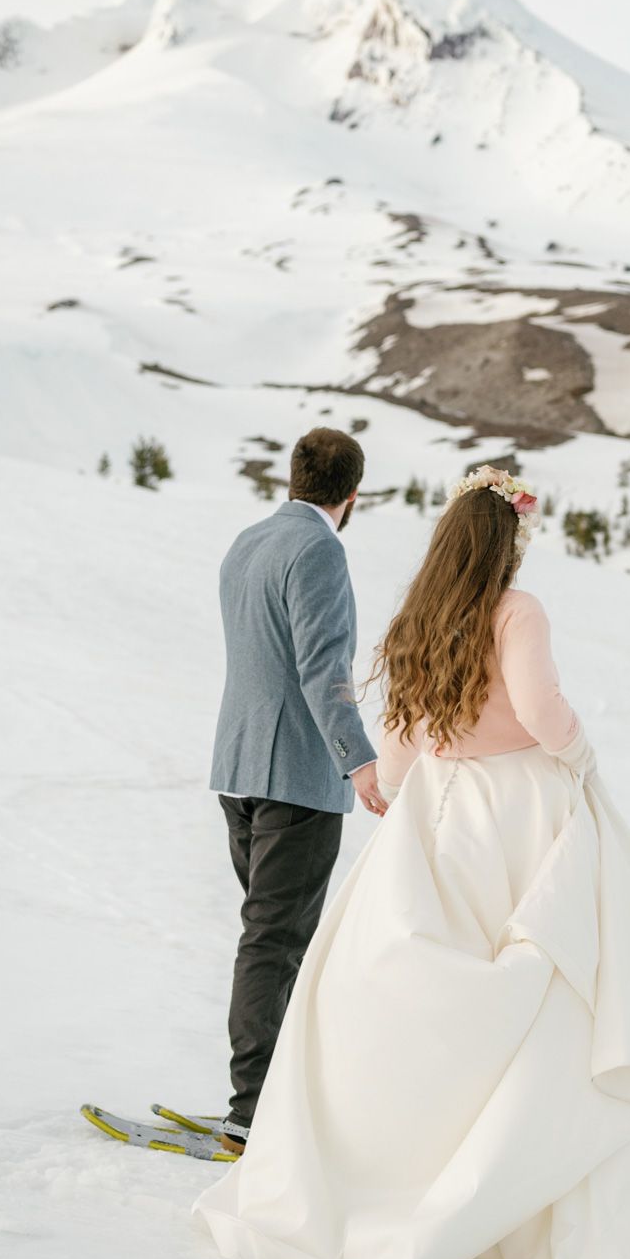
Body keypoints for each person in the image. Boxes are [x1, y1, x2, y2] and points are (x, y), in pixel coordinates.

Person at [193, 464, 630, 1259]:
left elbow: (405, 730)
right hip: (518, 809)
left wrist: (398, 786)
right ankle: (491, 1202)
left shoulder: (424, 613)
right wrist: (580, 759)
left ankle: (391, 1180)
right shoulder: (517, 610)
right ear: (508, 539)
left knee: (401, 1002)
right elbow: (540, 705)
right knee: (540, 998)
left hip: (438, 808)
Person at [208, 427, 388, 1155]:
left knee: (269, 939)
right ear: (352, 495)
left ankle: (265, 1098)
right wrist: (359, 761)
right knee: (274, 943)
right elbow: (323, 666)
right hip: (296, 778)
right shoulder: (319, 549)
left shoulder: (247, 541)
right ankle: (252, 1111)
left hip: (239, 766)